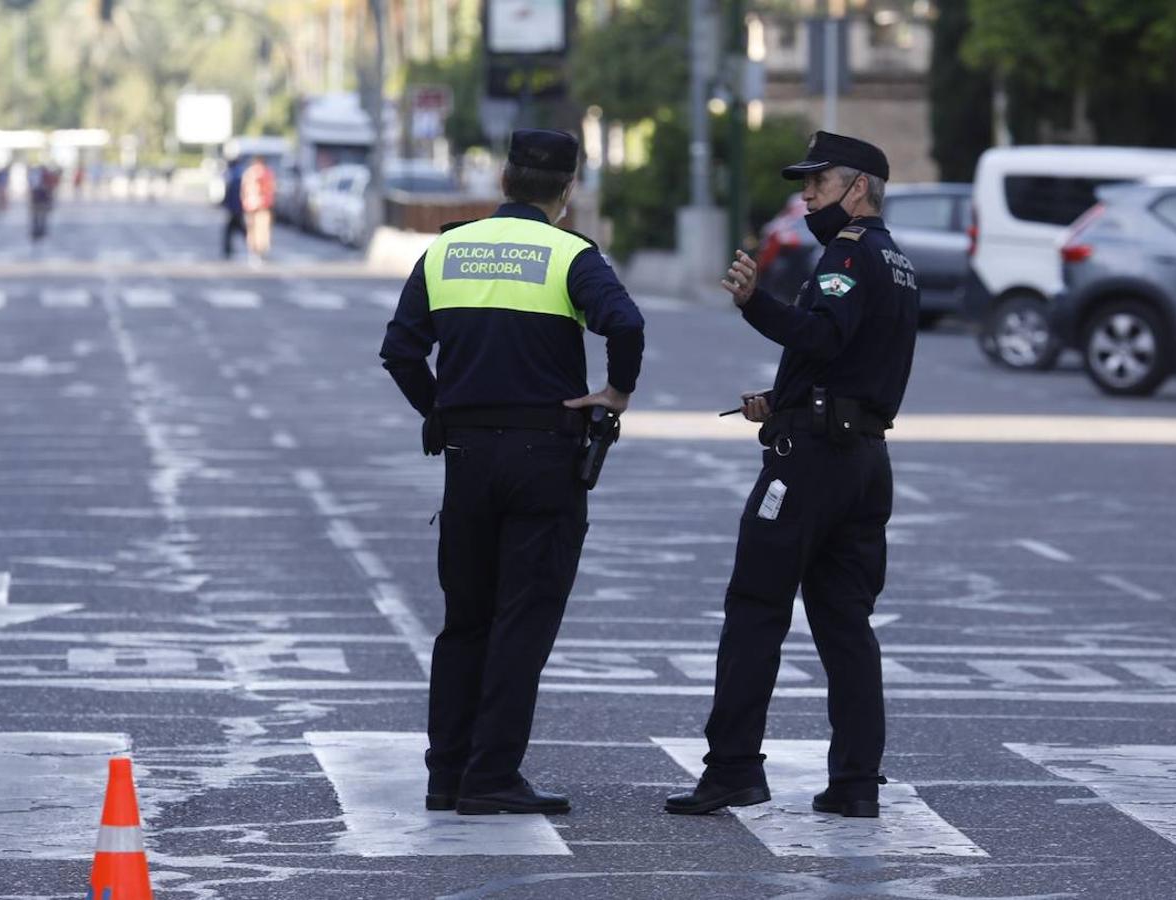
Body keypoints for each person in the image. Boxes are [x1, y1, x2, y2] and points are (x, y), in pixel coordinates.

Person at [380, 129, 646, 816]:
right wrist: (615, 392)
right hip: (543, 462)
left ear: (502, 180)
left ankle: (446, 774)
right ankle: (492, 774)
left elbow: (399, 352)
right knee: (521, 620)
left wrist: (438, 409)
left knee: (464, 620)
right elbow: (625, 323)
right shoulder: (570, 255)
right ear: (566, 190)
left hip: (467, 461)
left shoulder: (446, 248)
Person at [664, 131, 919, 819]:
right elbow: (853, 366)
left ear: (857, 186)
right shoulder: (894, 260)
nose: (805, 196)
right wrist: (780, 401)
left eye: (817, 182)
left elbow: (823, 336)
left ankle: (733, 770)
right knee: (845, 625)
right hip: (863, 460)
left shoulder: (847, 252)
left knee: (754, 609)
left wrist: (755, 304)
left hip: (812, 465)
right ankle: (854, 783)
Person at [240, 155, 274, 263]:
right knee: (260, 230)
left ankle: (256, 251)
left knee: (255, 230)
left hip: (253, 205)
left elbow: (243, 190)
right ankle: (258, 251)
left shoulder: (249, 173)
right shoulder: (266, 173)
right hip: (261, 205)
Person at [221, 157, 247, 259]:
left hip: (235, 207)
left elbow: (229, 192)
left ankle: (227, 249)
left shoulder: (233, 174)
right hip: (238, 207)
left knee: (232, 230)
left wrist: (225, 203)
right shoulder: (241, 173)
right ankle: (252, 245)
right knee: (238, 229)